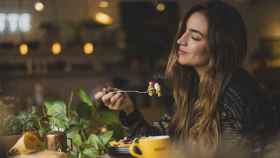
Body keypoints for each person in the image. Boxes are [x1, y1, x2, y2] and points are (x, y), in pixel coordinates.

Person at [95, 1, 275, 157]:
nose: (181, 40)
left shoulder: (235, 96)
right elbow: (158, 141)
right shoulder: (194, 89)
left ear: (219, 47)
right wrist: (128, 108)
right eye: (184, 31)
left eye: (195, 37)